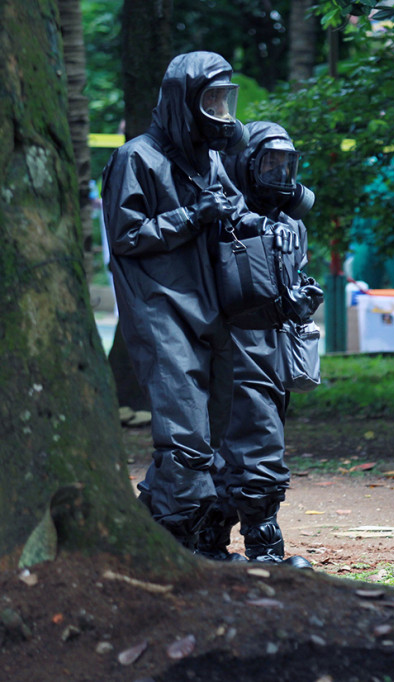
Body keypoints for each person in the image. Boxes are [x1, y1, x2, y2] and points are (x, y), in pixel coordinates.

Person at [101, 52, 298, 556]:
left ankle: (171, 543)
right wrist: (192, 216)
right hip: (160, 312)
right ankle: (177, 551)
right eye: (211, 100)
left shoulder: (207, 160)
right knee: (186, 442)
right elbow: (125, 236)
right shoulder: (135, 158)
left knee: (209, 442)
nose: (220, 111)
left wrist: (267, 228)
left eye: (224, 100)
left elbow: (234, 211)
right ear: (182, 101)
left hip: (210, 313)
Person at [207, 121, 323, 567]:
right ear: (245, 164)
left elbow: (290, 280)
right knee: (259, 446)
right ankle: (266, 552)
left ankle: (207, 545)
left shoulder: (290, 223)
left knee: (238, 451)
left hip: (276, 352)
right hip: (236, 348)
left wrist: (302, 297)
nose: (279, 174)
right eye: (269, 163)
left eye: (286, 165)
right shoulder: (223, 221)